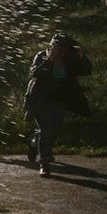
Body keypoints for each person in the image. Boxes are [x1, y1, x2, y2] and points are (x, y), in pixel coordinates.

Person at [24, 33, 92, 177]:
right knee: (46, 128)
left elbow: (86, 70)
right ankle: (45, 163)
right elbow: (34, 73)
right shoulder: (42, 56)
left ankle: (35, 143)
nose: (62, 51)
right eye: (59, 48)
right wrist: (49, 61)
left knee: (54, 129)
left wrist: (82, 56)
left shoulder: (71, 59)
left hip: (59, 99)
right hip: (40, 99)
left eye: (65, 48)